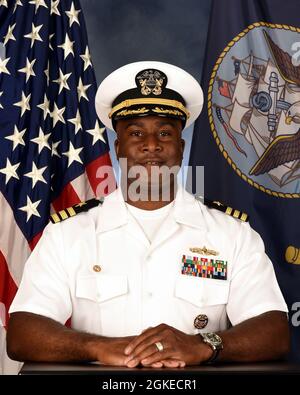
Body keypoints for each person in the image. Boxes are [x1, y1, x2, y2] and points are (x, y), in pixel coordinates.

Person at [7, 61, 289, 368]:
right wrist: (98, 347)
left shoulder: (232, 234)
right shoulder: (68, 234)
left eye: (165, 133)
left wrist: (202, 345)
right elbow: (23, 332)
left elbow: (273, 330)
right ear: (118, 148)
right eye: (136, 133)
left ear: (181, 147)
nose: (151, 145)